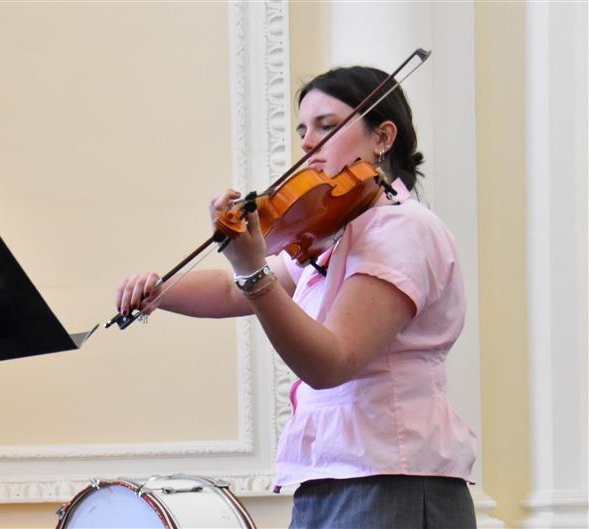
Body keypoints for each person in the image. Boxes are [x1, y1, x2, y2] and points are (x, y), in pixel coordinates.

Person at [115, 65, 477, 529]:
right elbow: (230, 291)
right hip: (336, 473)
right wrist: (159, 291)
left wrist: (252, 270)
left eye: (327, 126)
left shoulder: (402, 230)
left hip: (392, 473)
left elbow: (331, 363)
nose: (307, 144)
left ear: (383, 136)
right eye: (302, 130)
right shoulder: (336, 231)